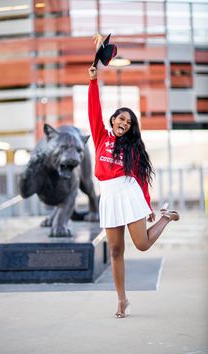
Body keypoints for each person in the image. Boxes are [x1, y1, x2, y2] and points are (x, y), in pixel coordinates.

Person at [88, 65, 180, 318]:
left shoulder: (133, 149)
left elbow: (140, 179)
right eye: (121, 119)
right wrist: (93, 81)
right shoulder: (101, 138)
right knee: (116, 252)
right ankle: (122, 301)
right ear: (113, 120)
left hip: (129, 194)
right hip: (107, 196)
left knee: (142, 245)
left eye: (129, 122)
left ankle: (166, 217)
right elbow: (93, 110)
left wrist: (147, 206)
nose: (125, 124)